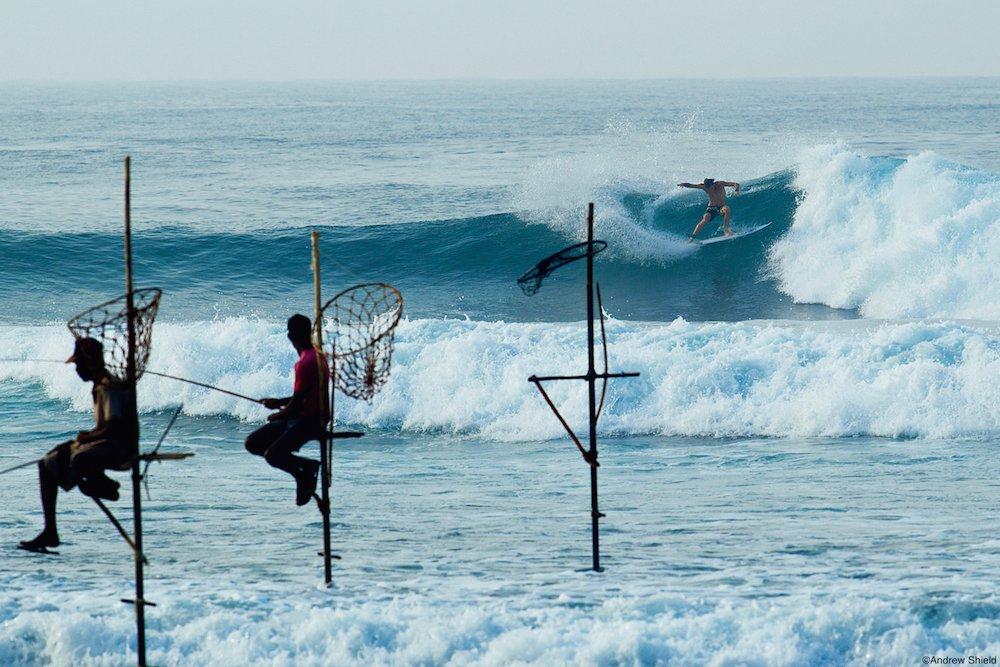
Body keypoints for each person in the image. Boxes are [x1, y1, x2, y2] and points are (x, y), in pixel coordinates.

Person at [19, 337, 138, 553]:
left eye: (78, 364)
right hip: (104, 444)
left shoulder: (107, 387)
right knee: (47, 463)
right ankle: (50, 531)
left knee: (80, 457)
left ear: (89, 363)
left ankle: (104, 485)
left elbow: (114, 426)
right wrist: (83, 439)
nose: (76, 370)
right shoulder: (99, 387)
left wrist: (87, 438)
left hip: (119, 449)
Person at [246, 314, 328, 506]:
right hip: (307, 416)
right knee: (253, 443)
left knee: (272, 455)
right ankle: (305, 468)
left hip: (310, 420)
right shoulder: (317, 357)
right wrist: (279, 402)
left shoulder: (305, 363)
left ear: (291, 336)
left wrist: (277, 414)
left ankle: (305, 471)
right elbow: (305, 396)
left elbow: (296, 406)